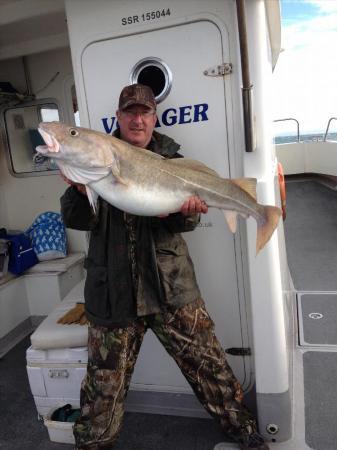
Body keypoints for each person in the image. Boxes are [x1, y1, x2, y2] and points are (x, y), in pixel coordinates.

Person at [60, 83, 269, 450]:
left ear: (154, 118)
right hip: (113, 293)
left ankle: (245, 432)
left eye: (144, 112)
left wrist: (189, 213)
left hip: (171, 285)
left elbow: (181, 224)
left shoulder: (173, 160)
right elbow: (77, 219)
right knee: (102, 388)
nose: (137, 120)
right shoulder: (93, 155)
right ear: (118, 117)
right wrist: (79, 190)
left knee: (210, 367)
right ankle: (92, 443)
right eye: (129, 112)